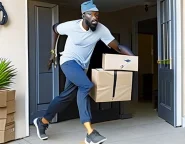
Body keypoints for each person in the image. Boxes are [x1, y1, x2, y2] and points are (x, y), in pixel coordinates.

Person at [33, 0, 134, 144]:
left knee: (66, 97)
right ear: (83, 15)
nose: (95, 18)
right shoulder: (71, 26)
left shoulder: (101, 29)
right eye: (91, 15)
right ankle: (90, 132)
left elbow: (117, 47)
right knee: (86, 85)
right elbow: (55, 29)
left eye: (97, 15)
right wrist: (52, 52)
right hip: (68, 61)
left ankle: (42, 121)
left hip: (82, 67)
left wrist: (133, 59)